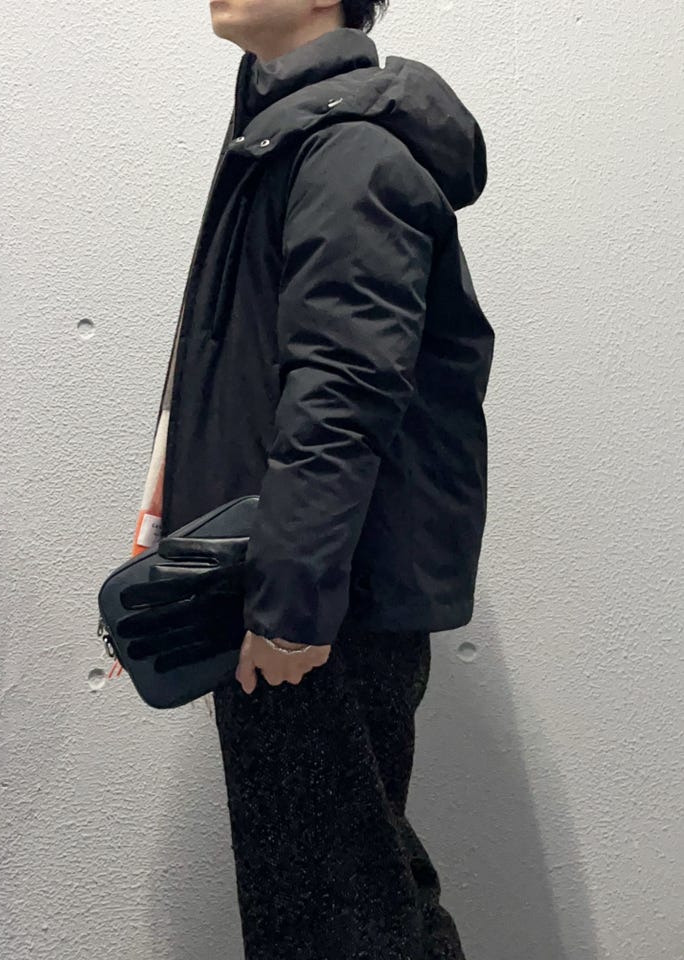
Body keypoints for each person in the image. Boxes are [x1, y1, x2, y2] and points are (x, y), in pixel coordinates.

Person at [153, 2, 494, 957]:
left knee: (334, 922)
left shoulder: (349, 155)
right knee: (360, 901)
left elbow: (343, 392)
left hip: (317, 606)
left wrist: (290, 609)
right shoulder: (288, 137)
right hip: (294, 585)